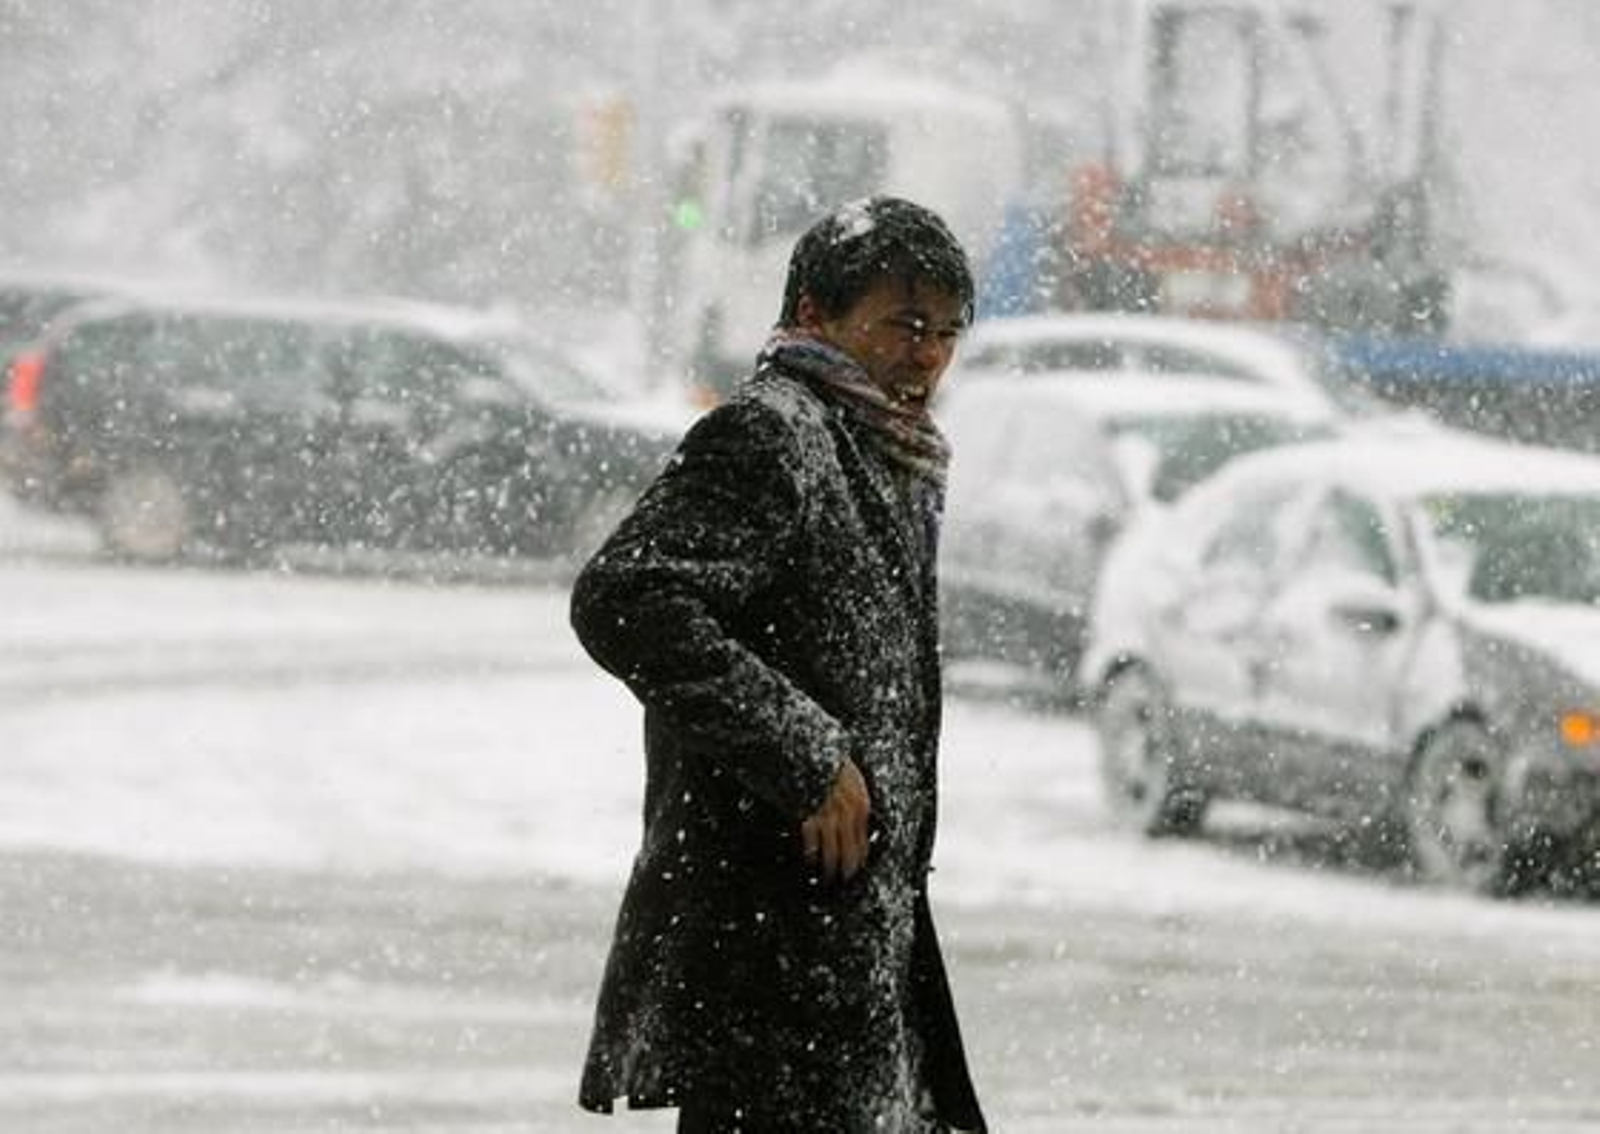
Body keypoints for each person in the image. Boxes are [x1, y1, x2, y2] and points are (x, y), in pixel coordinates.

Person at [571, 195, 987, 1133]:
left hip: (844, 943)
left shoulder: (879, 448)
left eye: (947, 332)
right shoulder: (775, 432)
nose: (928, 354)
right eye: (903, 324)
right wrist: (809, 761)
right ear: (814, 316)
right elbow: (627, 597)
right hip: (769, 945)